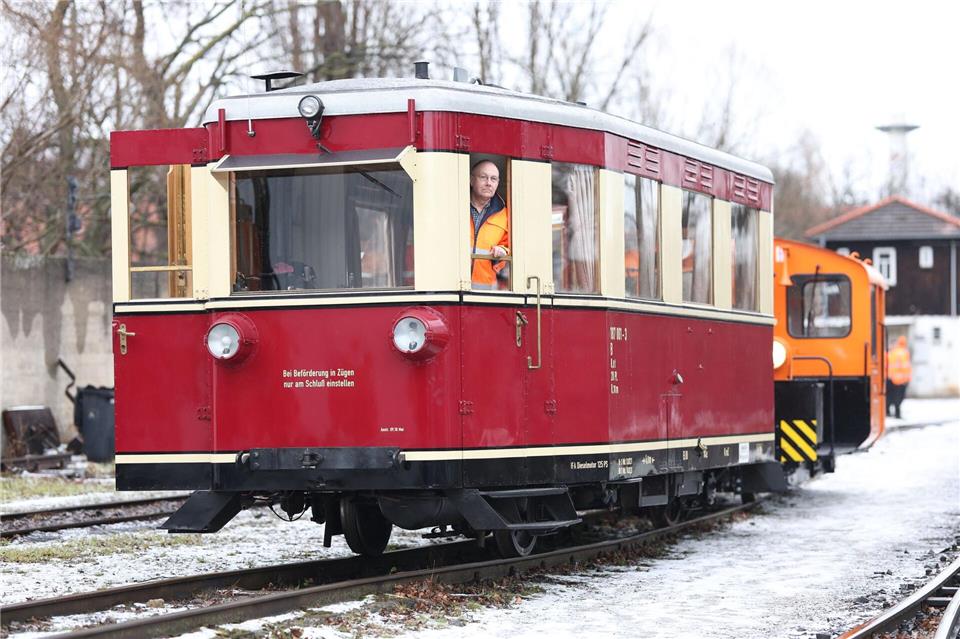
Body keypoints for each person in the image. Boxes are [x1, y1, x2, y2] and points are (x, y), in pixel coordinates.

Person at [468, 160, 510, 288]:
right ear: (471, 180)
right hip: (451, 288)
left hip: (485, 293)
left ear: (497, 183)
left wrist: (502, 250)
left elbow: (508, 245)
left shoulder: (506, 214)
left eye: (493, 179)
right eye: (483, 177)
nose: (488, 183)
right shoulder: (454, 206)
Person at [886, 335, 912, 418]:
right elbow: (906, 367)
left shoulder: (892, 352)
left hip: (891, 378)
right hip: (901, 380)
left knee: (890, 396)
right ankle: (897, 413)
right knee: (899, 398)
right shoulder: (904, 353)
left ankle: (888, 412)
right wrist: (907, 378)